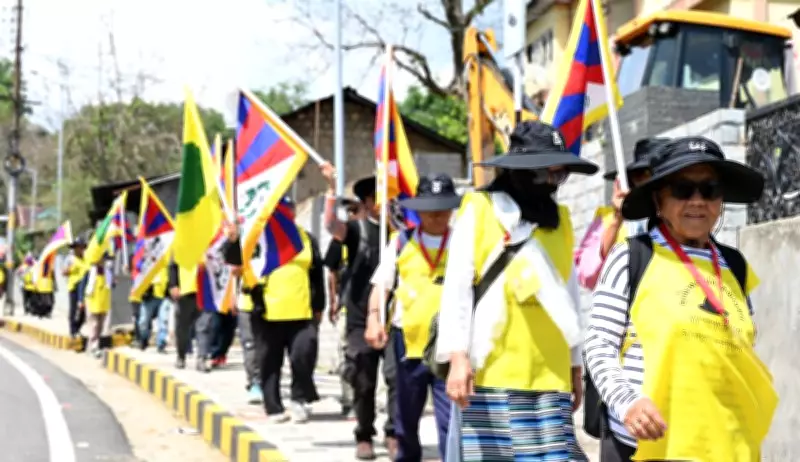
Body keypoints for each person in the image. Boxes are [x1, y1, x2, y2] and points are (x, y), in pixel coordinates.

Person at [584, 136, 777, 462]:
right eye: (683, 189)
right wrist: (628, 403)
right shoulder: (632, 257)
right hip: (650, 446)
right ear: (659, 199)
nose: (697, 201)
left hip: (726, 444)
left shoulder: (735, 265)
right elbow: (599, 345)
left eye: (710, 190)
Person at [436, 121, 597, 462]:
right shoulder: (479, 210)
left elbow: (569, 295)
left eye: (559, 175)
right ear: (519, 173)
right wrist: (457, 358)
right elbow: (457, 289)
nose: (551, 183)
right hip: (491, 371)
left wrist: (575, 365)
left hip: (551, 373)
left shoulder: (561, 220)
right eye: (543, 174)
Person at [366, 173, 461, 462]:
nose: (436, 215)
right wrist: (374, 318)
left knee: (451, 421)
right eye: (430, 209)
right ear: (418, 210)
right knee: (405, 418)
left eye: (443, 208)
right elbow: (381, 286)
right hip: (407, 344)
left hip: (450, 346)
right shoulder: (400, 242)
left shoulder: (462, 243)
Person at [223, 197, 325, 423]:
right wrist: (233, 240)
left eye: (288, 209)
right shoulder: (256, 236)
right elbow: (234, 260)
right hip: (266, 311)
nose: (285, 214)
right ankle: (273, 405)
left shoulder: (306, 238)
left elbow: (317, 273)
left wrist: (319, 305)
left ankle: (299, 399)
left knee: (304, 355)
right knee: (269, 360)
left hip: (302, 311)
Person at [322, 165, 398, 460]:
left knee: (396, 379)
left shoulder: (401, 234)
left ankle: (394, 433)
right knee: (363, 380)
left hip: (395, 319)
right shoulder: (357, 230)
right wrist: (331, 189)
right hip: (359, 319)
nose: (384, 203)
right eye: (378, 197)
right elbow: (332, 225)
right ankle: (364, 434)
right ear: (366, 203)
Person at [574, 137, 670, 290]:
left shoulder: (686, 217)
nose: (648, 182)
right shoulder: (609, 220)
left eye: (656, 174)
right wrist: (617, 219)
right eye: (640, 175)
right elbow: (588, 276)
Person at [324, 197, 364, 417]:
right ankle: (349, 399)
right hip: (348, 306)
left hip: (373, 308)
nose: (352, 216)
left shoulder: (377, 237)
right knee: (347, 354)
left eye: (356, 211)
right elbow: (332, 272)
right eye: (349, 212)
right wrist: (333, 301)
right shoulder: (340, 240)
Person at [168, 263, 212, 371]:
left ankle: (202, 358)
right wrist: (173, 284)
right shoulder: (181, 251)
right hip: (186, 291)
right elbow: (173, 265)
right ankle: (181, 356)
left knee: (204, 326)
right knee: (182, 328)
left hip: (205, 290)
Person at [77, 253, 115, 358]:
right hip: (91, 300)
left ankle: (94, 345)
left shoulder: (107, 271)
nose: (103, 261)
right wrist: (80, 300)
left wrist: (113, 282)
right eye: (102, 258)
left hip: (102, 301)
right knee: (94, 325)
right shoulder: (90, 270)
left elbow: (111, 284)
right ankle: (93, 347)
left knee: (100, 325)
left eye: (104, 259)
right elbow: (82, 284)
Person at [137, 266, 169, 351]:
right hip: (149, 296)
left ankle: (161, 343)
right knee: (144, 321)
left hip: (164, 296)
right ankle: (144, 338)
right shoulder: (147, 262)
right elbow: (138, 268)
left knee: (164, 320)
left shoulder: (166, 263)